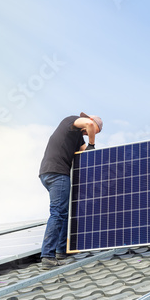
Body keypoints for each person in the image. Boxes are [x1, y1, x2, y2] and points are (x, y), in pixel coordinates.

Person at [39, 112, 103, 269]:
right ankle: (48, 255)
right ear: (90, 123)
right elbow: (88, 128)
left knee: (64, 212)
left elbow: (85, 153)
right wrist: (92, 144)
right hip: (57, 173)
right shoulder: (72, 120)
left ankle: (61, 252)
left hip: (48, 173)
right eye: (93, 131)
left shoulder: (77, 137)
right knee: (58, 213)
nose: (90, 134)